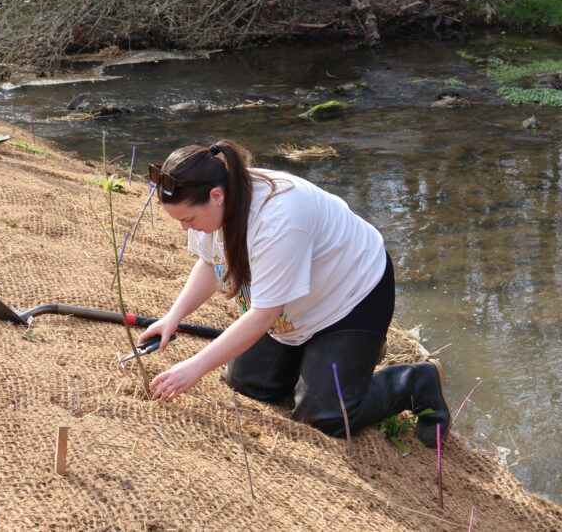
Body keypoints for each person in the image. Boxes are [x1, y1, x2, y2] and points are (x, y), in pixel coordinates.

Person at [140, 139, 449, 448]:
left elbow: (264, 315)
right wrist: (173, 317)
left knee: (325, 416)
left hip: (352, 296)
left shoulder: (278, 220)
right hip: (297, 305)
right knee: (248, 382)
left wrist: (194, 367)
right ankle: (340, 360)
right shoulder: (217, 202)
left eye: (188, 219)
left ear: (216, 196)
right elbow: (210, 263)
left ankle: (416, 382)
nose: (185, 229)